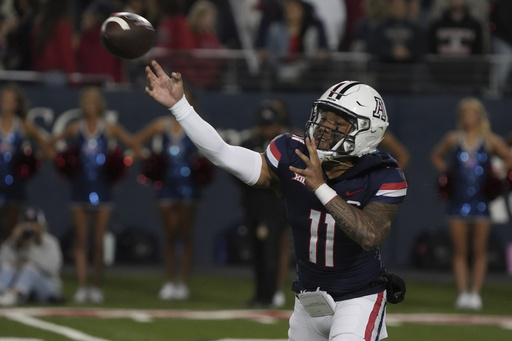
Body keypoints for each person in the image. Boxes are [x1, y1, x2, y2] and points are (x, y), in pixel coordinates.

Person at [146, 60, 407, 340]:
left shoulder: (382, 175)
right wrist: (181, 108)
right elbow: (223, 153)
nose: (324, 128)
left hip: (358, 297)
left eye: (339, 124)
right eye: (324, 118)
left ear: (366, 132)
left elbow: (369, 234)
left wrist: (320, 186)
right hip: (309, 299)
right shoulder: (290, 153)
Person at [49, 86, 138, 304]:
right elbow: (49, 145)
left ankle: (96, 287)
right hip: (79, 189)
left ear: (100, 104)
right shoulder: (75, 128)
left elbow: (134, 145)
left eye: (93, 100)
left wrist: (122, 165)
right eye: (85, 99)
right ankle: (82, 286)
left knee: (98, 241)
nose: (89, 103)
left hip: (103, 190)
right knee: (81, 240)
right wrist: (62, 163)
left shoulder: (109, 128)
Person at [430, 97, 512, 310]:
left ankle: (475, 293)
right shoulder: (453, 138)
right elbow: (436, 156)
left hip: (481, 203)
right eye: (464, 113)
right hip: (458, 202)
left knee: (479, 250)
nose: (467, 117)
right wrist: (447, 172)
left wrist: (498, 171)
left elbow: (508, 158)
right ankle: (462, 293)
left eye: (471, 113)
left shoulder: (489, 140)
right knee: (459, 251)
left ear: (479, 116)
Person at [134, 89, 209, 301]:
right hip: (166, 186)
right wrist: (150, 160)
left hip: (188, 187)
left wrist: (200, 164)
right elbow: (136, 141)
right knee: (169, 236)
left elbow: (213, 150)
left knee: (185, 236)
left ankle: (183, 284)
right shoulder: (162, 125)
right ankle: (169, 282)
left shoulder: (197, 127)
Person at [239, 98, 293, 308]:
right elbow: (236, 172)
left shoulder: (286, 147)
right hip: (253, 204)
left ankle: (271, 294)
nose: (267, 129)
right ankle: (260, 294)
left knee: (272, 252)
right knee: (257, 252)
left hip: (276, 207)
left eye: (270, 124)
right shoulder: (249, 143)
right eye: (264, 124)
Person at [0, 83, 50, 243]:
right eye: (3, 98)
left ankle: (7, 263)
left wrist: (35, 159)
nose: (4, 102)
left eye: (8, 99)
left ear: (16, 105)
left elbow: (46, 145)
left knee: (11, 227)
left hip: (15, 182)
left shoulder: (22, 125)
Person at [0, 206, 63, 306]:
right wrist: (14, 243)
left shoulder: (50, 242)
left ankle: (15, 295)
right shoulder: (15, 241)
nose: (29, 226)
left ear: (41, 225)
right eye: (26, 222)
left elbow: (52, 268)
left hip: (46, 286)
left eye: (33, 223)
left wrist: (31, 248)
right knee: (8, 265)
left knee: (31, 267)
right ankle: (2, 292)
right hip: (21, 282)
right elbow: (3, 263)